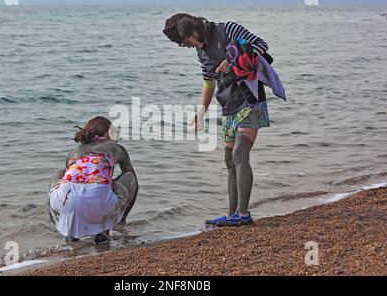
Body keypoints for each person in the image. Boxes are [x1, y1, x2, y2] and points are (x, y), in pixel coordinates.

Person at [163, 13, 285, 227]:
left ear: (191, 31)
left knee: (240, 154)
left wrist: (231, 61)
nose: (186, 46)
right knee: (229, 160)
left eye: (184, 42)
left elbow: (261, 45)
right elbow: (208, 83)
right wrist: (201, 111)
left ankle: (244, 214)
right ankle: (231, 214)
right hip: (229, 105)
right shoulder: (201, 53)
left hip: (251, 100)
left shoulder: (227, 29)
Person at [47, 116, 138, 243]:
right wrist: (120, 217)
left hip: (65, 201)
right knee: (129, 177)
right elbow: (133, 183)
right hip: (98, 201)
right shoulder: (116, 148)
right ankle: (104, 230)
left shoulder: (74, 151)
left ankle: (70, 231)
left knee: (60, 174)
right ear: (101, 136)